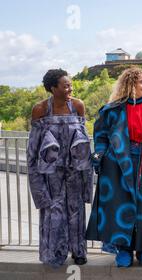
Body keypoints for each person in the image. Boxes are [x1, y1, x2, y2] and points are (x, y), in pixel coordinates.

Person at [86, 67, 142, 268]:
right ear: (130, 85)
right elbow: (100, 137)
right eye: (141, 82)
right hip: (119, 166)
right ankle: (124, 249)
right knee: (123, 206)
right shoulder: (111, 110)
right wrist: (101, 157)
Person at [27, 69, 92, 267]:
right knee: (53, 212)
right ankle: (54, 253)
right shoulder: (40, 110)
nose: (70, 89)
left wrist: (87, 178)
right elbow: (33, 149)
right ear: (53, 88)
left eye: (71, 85)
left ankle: (79, 251)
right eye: (65, 86)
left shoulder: (78, 106)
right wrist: (36, 183)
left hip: (74, 170)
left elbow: (84, 142)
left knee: (76, 210)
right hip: (50, 173)